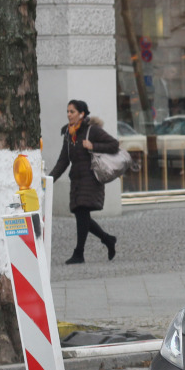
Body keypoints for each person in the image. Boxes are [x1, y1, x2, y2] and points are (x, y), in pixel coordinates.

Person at [50, 99, 119, 264]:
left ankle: (79, 253)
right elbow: (63, 161)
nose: (69, 114)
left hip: (91, 180)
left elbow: (114, 145)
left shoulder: (92, 130)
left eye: (72, 111)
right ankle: (108, 239)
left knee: (82, 213)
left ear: (82, 114)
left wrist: (93, 145)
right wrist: (49, 180)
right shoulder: (69, 134)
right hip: (77, 181)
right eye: (67, 111)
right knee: (81, 215)